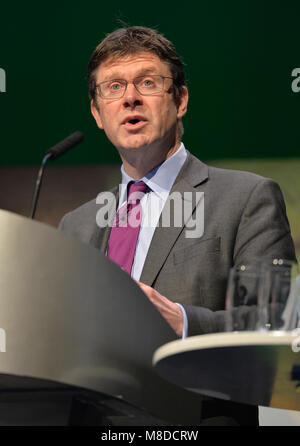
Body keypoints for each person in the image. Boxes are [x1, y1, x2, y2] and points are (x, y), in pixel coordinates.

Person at [59, 26, 296, 425]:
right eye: (113, 87)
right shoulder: (76, 224)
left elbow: (274, 334)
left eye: (147, 82)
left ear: (180, 100)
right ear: (98, 114)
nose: (130, 97)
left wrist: (182, 323)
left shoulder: (247, 198)